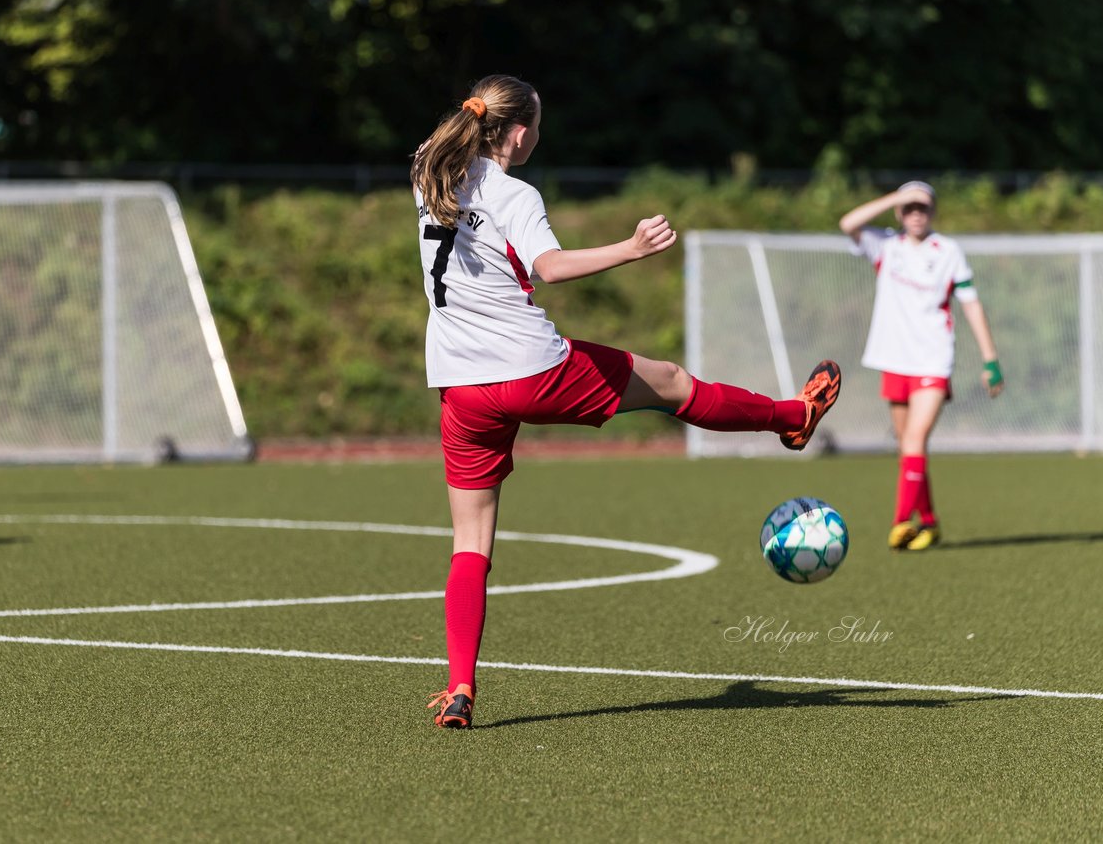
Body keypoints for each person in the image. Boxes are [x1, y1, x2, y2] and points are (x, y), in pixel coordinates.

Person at [412, 74, 841, 729]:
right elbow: (550, 266)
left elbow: (444, 158)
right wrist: (634, 248)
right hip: (530, 370)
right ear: (521, 132)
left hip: (461, 389)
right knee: (669, 382)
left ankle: (461, 689)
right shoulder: (513, 192)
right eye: (538, 124)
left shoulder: (430, 172)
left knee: (469, 542)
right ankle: (793, 418)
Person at [839, 181, 1003, 552]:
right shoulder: (885, 245)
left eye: (923, 207)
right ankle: (929, 523)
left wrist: (990, 358)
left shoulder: (947, 251)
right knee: (907, 447)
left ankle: (901, 523)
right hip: (893, 359)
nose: (916, 213)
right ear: (898, 211)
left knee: (915, 440)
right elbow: (848, 223)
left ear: (933, 212)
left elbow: (971, 304)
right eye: (909, 207)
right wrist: (896, 197)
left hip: (933, 358)